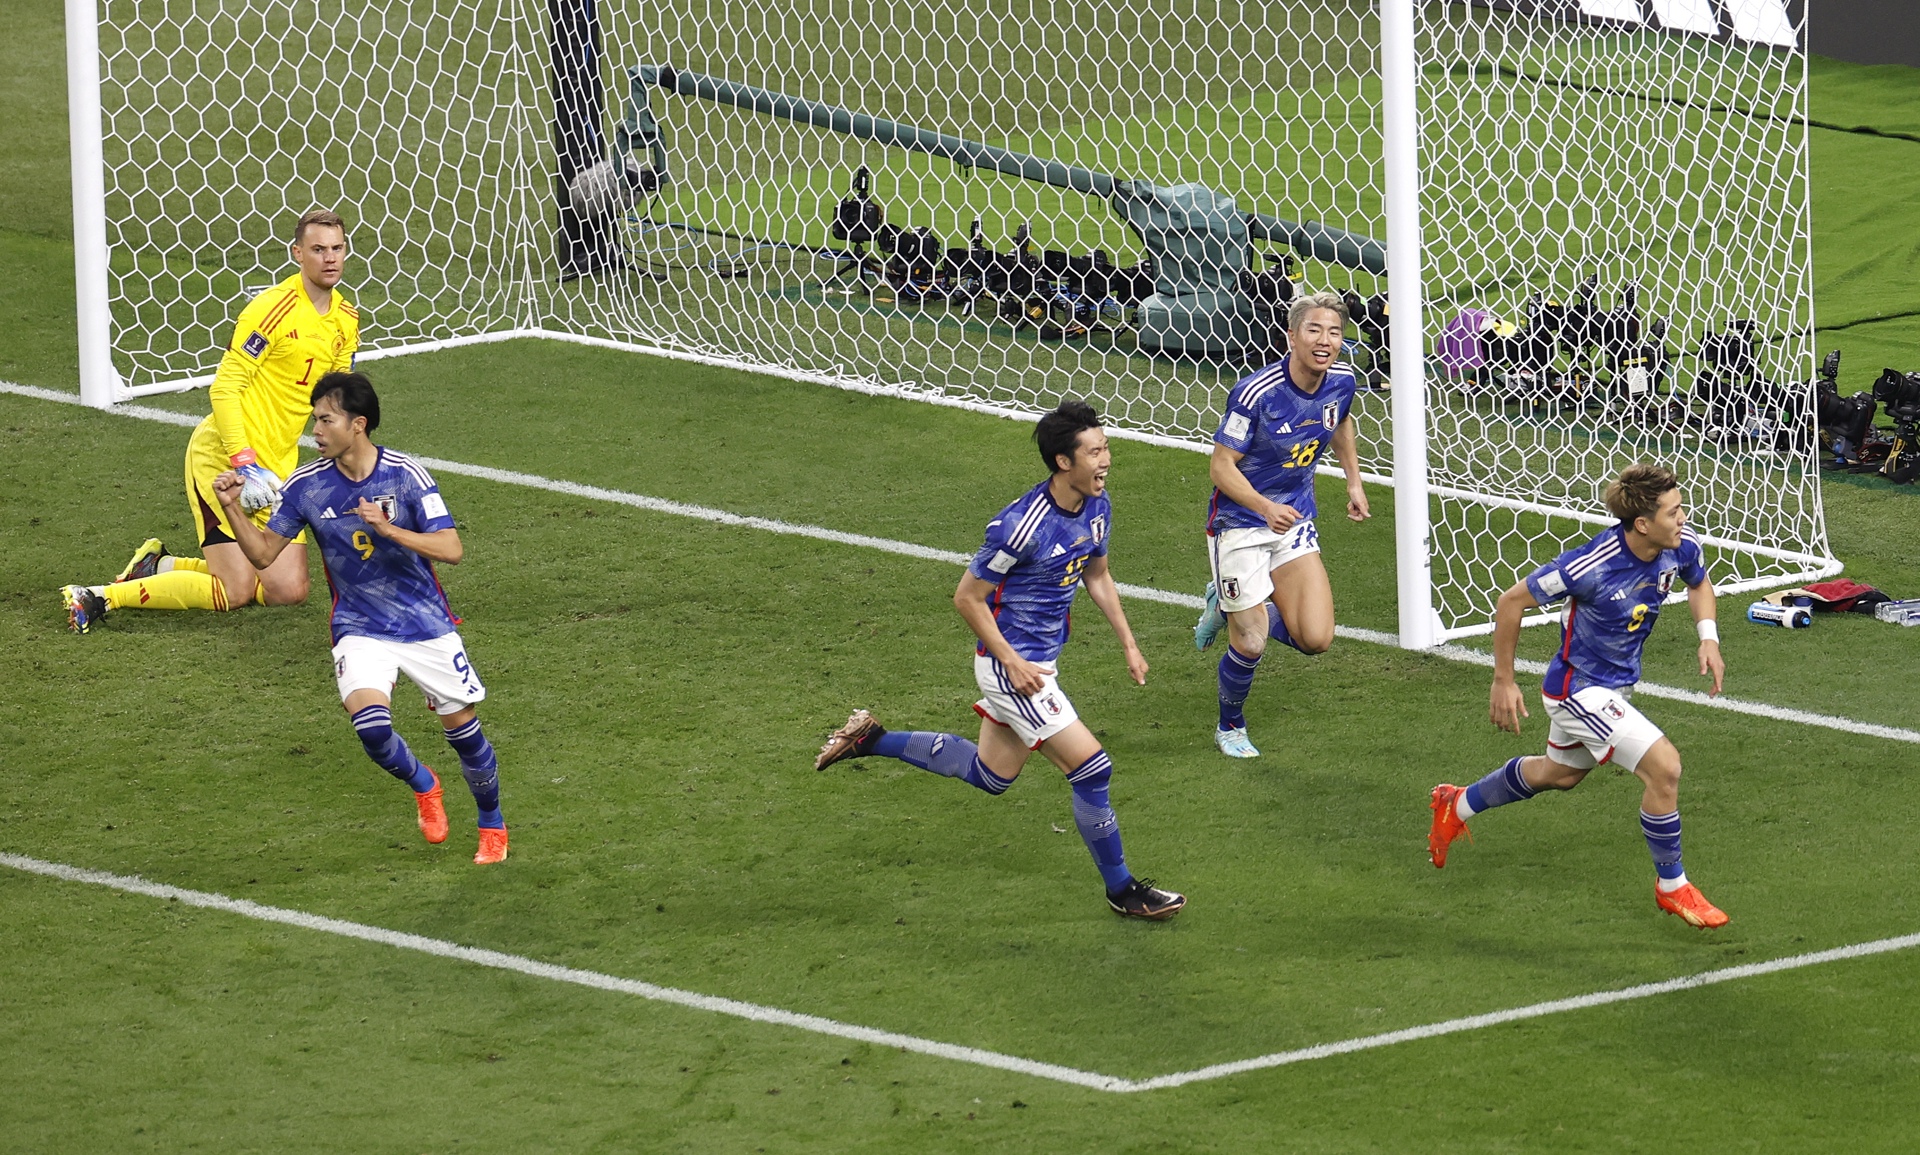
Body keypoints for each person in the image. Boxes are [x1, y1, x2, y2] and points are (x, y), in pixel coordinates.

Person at [813, 400, 1184, 920]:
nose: (1106, 461)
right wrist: (1010, 661)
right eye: (1095, 451)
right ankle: (1122, 891)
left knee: (993, 775)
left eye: (1107, 449)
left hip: (1038, 664)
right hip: (1012, 671)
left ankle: (872, 738)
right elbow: (968, 596)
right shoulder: (1020, 525)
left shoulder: (1097, 506)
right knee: (1093, 769)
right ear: (1063, 461)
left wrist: (1128, 642)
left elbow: (1096, 575)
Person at [213, 371, 508, 865]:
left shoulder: (405, 475)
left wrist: (390, 530)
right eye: (315, 420)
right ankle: (424, 785)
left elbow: (451, 549)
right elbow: (264, 557)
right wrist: (234, 511)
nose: (316, 431)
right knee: (371, 729)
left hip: (425, 625)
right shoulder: (306, 486)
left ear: (358, 424)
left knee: (467, 737)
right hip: (359, 626)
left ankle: (491, 824)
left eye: (325, 420)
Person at [1427, 463, 1728, 928]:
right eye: (1674, 512)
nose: (1683, 518)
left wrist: (1707, 636)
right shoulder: (1589, 566)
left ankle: (1457, 804)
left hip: (1616, 688)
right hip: (1577, 690)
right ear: (1643, 524)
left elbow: (1699, 582)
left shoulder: (1679, 546)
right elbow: (1511, 602)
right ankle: (1673, 888)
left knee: (1559, 775)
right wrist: (1503, 680)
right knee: (1665, 768)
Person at [62, 208, 360, 632]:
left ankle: (159, 564)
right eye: (318, 249)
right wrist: (243, 460)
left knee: (287, 591)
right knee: (234, 591)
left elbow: (335, 402)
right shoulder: (271, 310)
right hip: (224, 457)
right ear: (298, 253)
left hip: (278, 467)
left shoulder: (346, 320)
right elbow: (224, 388)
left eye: (337, 248)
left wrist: (345, 467)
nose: (329, 258)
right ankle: (99, 597)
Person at [1192, 291, 1371, 758]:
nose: (1325, 340)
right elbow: (1221, 466)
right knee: (1250, 643)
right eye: (1314, 330)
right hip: (1240, 523)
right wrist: (1263, 506)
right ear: (1292, 336)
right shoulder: (1255, 393)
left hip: (1294, 518)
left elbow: (1342, 422)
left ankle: (1228, 603)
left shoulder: (1342, 382)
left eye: (1334, 332)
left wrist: (1354, 481)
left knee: (1316, 639)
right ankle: (1230, 727)